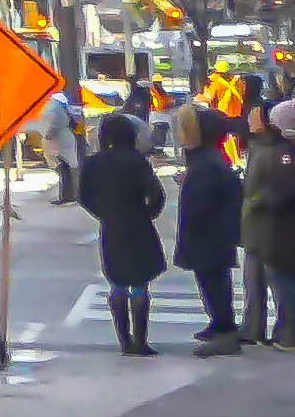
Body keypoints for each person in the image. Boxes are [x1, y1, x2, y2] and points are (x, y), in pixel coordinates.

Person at [76, 103, 166, 356]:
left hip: (111, 225)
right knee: (139, 283)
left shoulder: (94, 162)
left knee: (116, 282)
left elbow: (83, 195)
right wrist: (148, 214)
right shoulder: (136, 161)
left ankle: (124, 340)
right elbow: (156, 194)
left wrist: (102, 213)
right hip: (137, 223)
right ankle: (140, 340)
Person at [244, 97, 295, 349]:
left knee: (286, 281)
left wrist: (257, 200)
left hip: (283, 228)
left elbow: (277, 192)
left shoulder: (284, 154)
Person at [175, 105, 247, 350]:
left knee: (214, 282)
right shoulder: (208, 159)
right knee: (211, 281)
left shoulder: (208, 163)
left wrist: (192, 223)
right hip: (211, 234)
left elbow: (203, 202)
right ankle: (219, 323)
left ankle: (225, 330)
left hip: (210, 235)